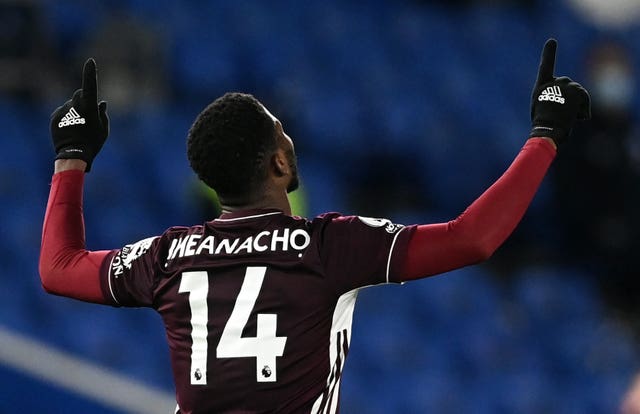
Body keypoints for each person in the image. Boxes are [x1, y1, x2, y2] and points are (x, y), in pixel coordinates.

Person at [40, 39, 590, 414]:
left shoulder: (169, 256)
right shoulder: (329, 245)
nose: (290, 139)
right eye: (283, 132)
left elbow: (58, 269)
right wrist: (545, 134)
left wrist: (71, 155)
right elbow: (473, 238)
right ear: (279, 163)